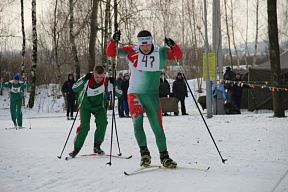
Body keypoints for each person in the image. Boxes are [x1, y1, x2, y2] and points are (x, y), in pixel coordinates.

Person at [106, 30, 182, 168]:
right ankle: (144, 154)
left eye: (147, 45)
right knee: (138, 123)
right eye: (142, 45)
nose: (145, 48)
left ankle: (164, 156)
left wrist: (173, 45)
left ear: (151, 42)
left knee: (158, 127)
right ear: (138, 44)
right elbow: (111, 53)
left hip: (152, 95)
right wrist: (113, 40)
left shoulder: (161, 52)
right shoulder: (131, 51)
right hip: (135, 94)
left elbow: (178, 55)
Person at [68, 65, 121, 158]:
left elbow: (119, 93)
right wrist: (84, 79)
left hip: (99, 107)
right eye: (97, 77)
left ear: (104, 75)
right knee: (85, 126)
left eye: (101, 77)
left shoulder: (106, 80)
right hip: (85, 106)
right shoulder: (87, 78)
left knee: (103, 122)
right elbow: (74, 88)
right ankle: (76, 148)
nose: (99, 79)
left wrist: (114, 84)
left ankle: (97, 146)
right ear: (93, 73)